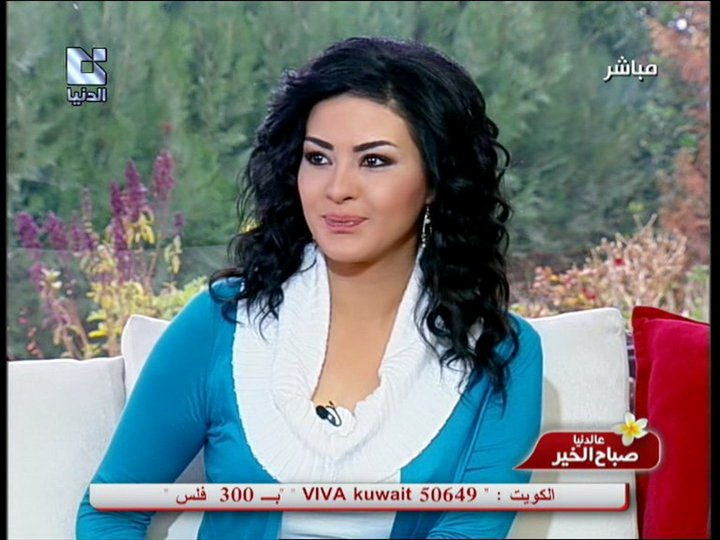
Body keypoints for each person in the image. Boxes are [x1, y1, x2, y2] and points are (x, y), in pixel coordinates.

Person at [76, 36, 543, 539]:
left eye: (374, 161)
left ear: (434, 180)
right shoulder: (220, 323)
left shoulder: (500, 353)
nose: (337, 188)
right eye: (318, 158)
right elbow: (111, 510)